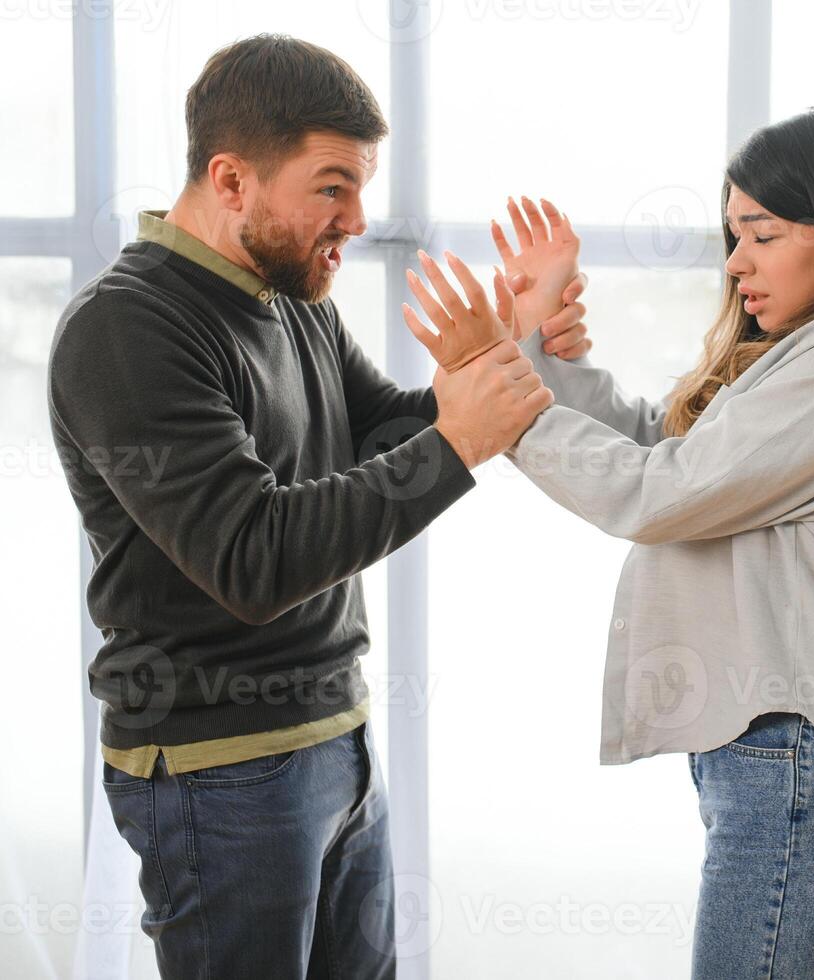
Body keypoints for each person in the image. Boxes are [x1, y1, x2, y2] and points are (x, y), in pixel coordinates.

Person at [46, 34, 587, 979]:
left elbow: (382, 436)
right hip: (218, 771)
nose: (359, 219)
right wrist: (462, 433)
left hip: (336, 744)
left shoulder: (291, 296)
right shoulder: (126, 329)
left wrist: (517, 353)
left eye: (362, 186)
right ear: (231, 179)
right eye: (332, 187)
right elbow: (253, 560)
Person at [404, 104, 814, 979]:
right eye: (731, 234)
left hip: (797, 757)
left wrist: (496, 384)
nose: (736, 260)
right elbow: (662, 448)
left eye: (763, 233)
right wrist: (532, 344)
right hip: (773, 757)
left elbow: (657, 494)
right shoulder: (807, 350)